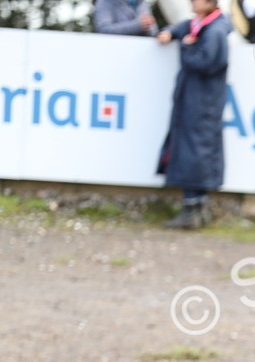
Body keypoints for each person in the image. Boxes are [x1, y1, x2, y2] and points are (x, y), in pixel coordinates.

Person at [155, 0, 232, 230]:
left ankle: (192, 210)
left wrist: (186, 48)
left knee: (194, 154)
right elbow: (181, 28)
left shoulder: (215, 31)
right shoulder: (200, 25)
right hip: (195, 100)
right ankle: (198, 208)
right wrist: (169, 33)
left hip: (202, 103)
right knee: (192, 152)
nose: (191, 2)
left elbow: (206, 62)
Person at [94, 0, 158, 36]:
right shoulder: (104, 2)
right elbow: (104, 30)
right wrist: (137, 25)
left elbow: (154, 32)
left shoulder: (141, 3)